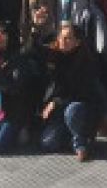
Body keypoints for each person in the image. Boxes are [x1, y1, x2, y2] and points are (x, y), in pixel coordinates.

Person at [39, 23, 100, 162]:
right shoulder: (54, 55)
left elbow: (80, 93)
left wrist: (56, 102)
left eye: (68, 38)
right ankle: (70, 136)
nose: (63, 41)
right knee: (47, 143)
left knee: (73, 111)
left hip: (81, 108)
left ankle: (81, 144)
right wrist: (36, 27)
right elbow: (33, 49)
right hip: (59, 110)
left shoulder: (85, 61)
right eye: (61, 37)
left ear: (77, 42)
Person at [0, 21, 40, 154]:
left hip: (14, 113)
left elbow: (14, 88)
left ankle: (23, 130)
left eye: (3, 33)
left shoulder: (19, 58)